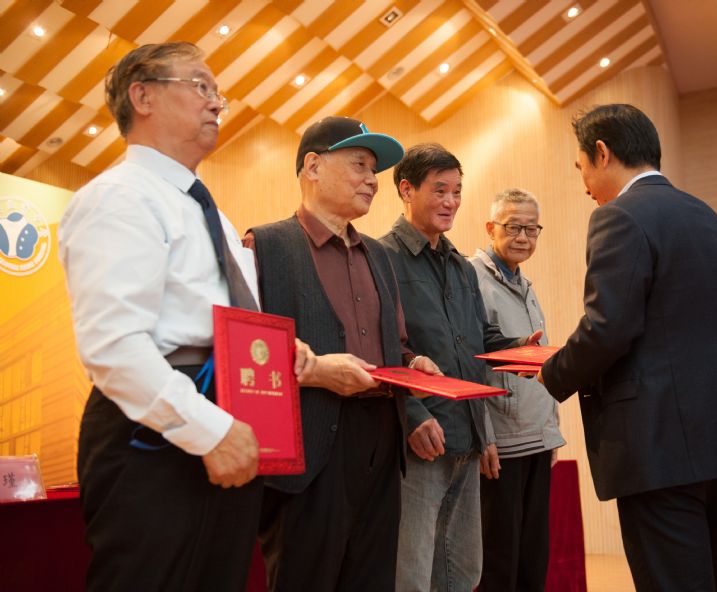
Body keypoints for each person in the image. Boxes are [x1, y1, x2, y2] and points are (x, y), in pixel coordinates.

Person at [59, 42, 314, 591]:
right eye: (200, 86)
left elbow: (216, 318)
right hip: (155, 435)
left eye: (217, 92)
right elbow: (114, 347)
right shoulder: (118, 198)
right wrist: (210, 431)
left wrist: (277, 354)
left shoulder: (210, 211)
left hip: (228, 420)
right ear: (142, 96)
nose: (216, 103)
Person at [539, 104, 717, 592]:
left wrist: (551, 371)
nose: (584, 185)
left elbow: (608, 328)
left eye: (581, 168)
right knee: (716, 582)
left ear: (602, 153)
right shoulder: (708, 218)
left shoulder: (619, 216)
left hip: (661, 446)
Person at [244, 116, 441, 591]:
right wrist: (315, 373)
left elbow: (396, 343)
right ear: (313, 167)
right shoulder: (263, 247)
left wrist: (413, 364)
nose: (373, 180)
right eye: (359, 165)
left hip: (381, 445)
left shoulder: (380, 256)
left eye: (374, 170)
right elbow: (246, 354)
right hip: (307, 450)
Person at [379, 143, 541, 591]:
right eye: (440, 190)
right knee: (412, 575)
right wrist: (414, 416)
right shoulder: (381, 258)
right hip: (420, 441)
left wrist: (521, 350)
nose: (451, 202)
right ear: (406, 190)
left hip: (466, 439)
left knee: (463, 571)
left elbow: (478, 341)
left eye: (457, 192)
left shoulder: (461, 267)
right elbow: (384, 350)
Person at [468, 188, 565, 592]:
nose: (523, 237)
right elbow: (470, 363)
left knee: (532, 557)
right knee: (499, 562)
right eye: (513, 227)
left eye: (531, 228)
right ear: (490, 228)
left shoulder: (524, 282)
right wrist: (484, 436)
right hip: (502, 444)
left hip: (535, 438)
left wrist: (550, 429)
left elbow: (536, 359)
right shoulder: (471, 278)